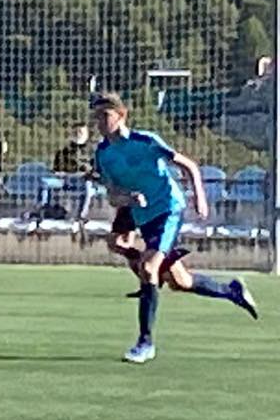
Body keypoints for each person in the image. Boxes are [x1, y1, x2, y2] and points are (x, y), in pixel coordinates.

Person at [91, 92, 257, 364]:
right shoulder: (103, 153)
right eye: (96, 117)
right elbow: (112, 195)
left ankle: (145, 343)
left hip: (169, 209)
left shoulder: (146, 141)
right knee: (180, 281)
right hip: (143, 215)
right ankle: (231, 291)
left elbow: (189, 165)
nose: (99, 122)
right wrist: (129, 199)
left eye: (104, 115)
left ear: (121, 115)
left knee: (149, 268)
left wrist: (199, 197)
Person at [50, 122, 101, 220]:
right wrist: (62, 174)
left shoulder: (93, 151)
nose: (78, 134)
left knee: (87, 187)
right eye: (76, 132)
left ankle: (81, 216)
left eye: (81, 132)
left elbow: (98, 170)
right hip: (68, 182)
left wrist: (91, 174)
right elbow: (56, 170)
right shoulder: (63, 152)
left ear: (87, 134)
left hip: (87, 181)